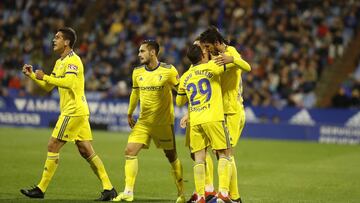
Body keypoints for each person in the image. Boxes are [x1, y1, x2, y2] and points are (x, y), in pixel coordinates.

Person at [20, 27, 117, 201]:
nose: (53, 40)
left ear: (66, 42)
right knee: (86, 150)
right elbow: (49, 86)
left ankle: (40, 189)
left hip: (73, 111)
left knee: (52, 145)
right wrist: (34, 76)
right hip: (78, 111)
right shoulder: (59, 62)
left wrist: (46, 77)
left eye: (57, 37)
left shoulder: (74, 60)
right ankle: (109, 188)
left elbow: (70, 82)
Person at [113, 40, 185, 203]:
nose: (139, 54)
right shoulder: (137, 72)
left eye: (142, 51)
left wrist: (191, 108)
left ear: (153, 52)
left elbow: (180, 91)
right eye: (139, 51)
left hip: (163, 123)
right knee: (129, 151)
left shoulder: (168, 70)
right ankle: (128, 192)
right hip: (143, 122)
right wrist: (129, 113)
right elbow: (135, 94)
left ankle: (181, 193)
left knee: (171, 156)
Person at [176, 44, 239, 203]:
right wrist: (231, 57)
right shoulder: (212, 66)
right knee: (224, 153)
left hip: (196, 121)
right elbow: (240, 65)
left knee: (199, 158)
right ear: (203, 56)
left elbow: (179, 101)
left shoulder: (185, 76)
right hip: (213, 118)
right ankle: (224, 193)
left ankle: (201, 196)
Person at [199, 26, 251, 203]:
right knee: (224, 154)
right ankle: (233, 197)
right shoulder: (216, 57)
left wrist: (233, 59)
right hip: (222, 111)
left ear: (216, 43)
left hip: (233, 111)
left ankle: (227, 195)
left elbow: (248, 67)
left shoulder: (230, 52)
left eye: (207, 46)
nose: (206, 50)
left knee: (225, 154)